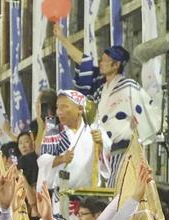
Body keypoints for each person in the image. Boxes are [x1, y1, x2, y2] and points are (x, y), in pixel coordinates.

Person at [55, 25, 160, 186]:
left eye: (105, 61)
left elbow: (146, 113)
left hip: (126, 148)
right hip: (106, 150)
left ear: (116, 65)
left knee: (121, 189)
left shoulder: (129, 86)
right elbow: (84, 63)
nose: (101, 63)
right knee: (112, 190)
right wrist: (62, 40)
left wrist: (137, 131)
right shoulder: (100, 90)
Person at [37, 90, 95, 194]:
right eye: (58, 107)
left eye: (64, 107)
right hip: (62, 194)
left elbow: (106, 157)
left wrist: (101, 144)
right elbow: (43, 161)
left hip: (89, 194)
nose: (59, 112)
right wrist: (62, 158)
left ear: (80, 109)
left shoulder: (93, 131)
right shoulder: (53, 132)